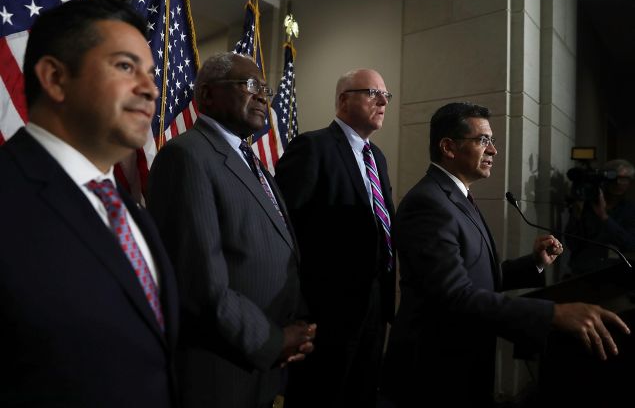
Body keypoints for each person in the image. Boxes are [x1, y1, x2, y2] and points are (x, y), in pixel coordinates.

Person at [380, 102, 631, 407]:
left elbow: (475, 276)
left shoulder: (454, 196)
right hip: (435, 371)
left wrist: (534, 264)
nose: (493, 151)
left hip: (461, 362)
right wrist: (553, 314)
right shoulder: (428, 203)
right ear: (448, 146)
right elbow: (454, 294)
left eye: (492, 141)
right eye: (483, 140)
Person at [0, 0, 179, 407]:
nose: (151, 88)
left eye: (151, 73)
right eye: (125, 66)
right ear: (56, 78)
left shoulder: (132, 213)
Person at [146, 52, 315, 408]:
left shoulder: (253, 162)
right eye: (251, 85)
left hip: (263, 360)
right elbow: (199, 282)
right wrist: (271, 341)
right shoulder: (186, 156)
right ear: (207, 95)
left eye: (265, 89)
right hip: (218, 367)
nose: (263, 97)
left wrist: (294, 328)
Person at [275, 68, 396, 407]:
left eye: (386, 95)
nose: (384, 101)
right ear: (344, 100)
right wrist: (298, 309)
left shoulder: (378, 158)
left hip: (373, 307)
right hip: (326, 313)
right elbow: (284, 229)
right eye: (373, 93)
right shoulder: (313, 146)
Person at [565, 159, 635, 275]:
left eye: (624, 179)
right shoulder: (587, 205)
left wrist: (604, 217)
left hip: (617, 274)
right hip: (584, 272)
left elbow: (630, 245)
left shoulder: (630, 210)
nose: (618, 182)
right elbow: (572, 243)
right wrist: (577, 214)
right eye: (614, 177)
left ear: (630, 182)